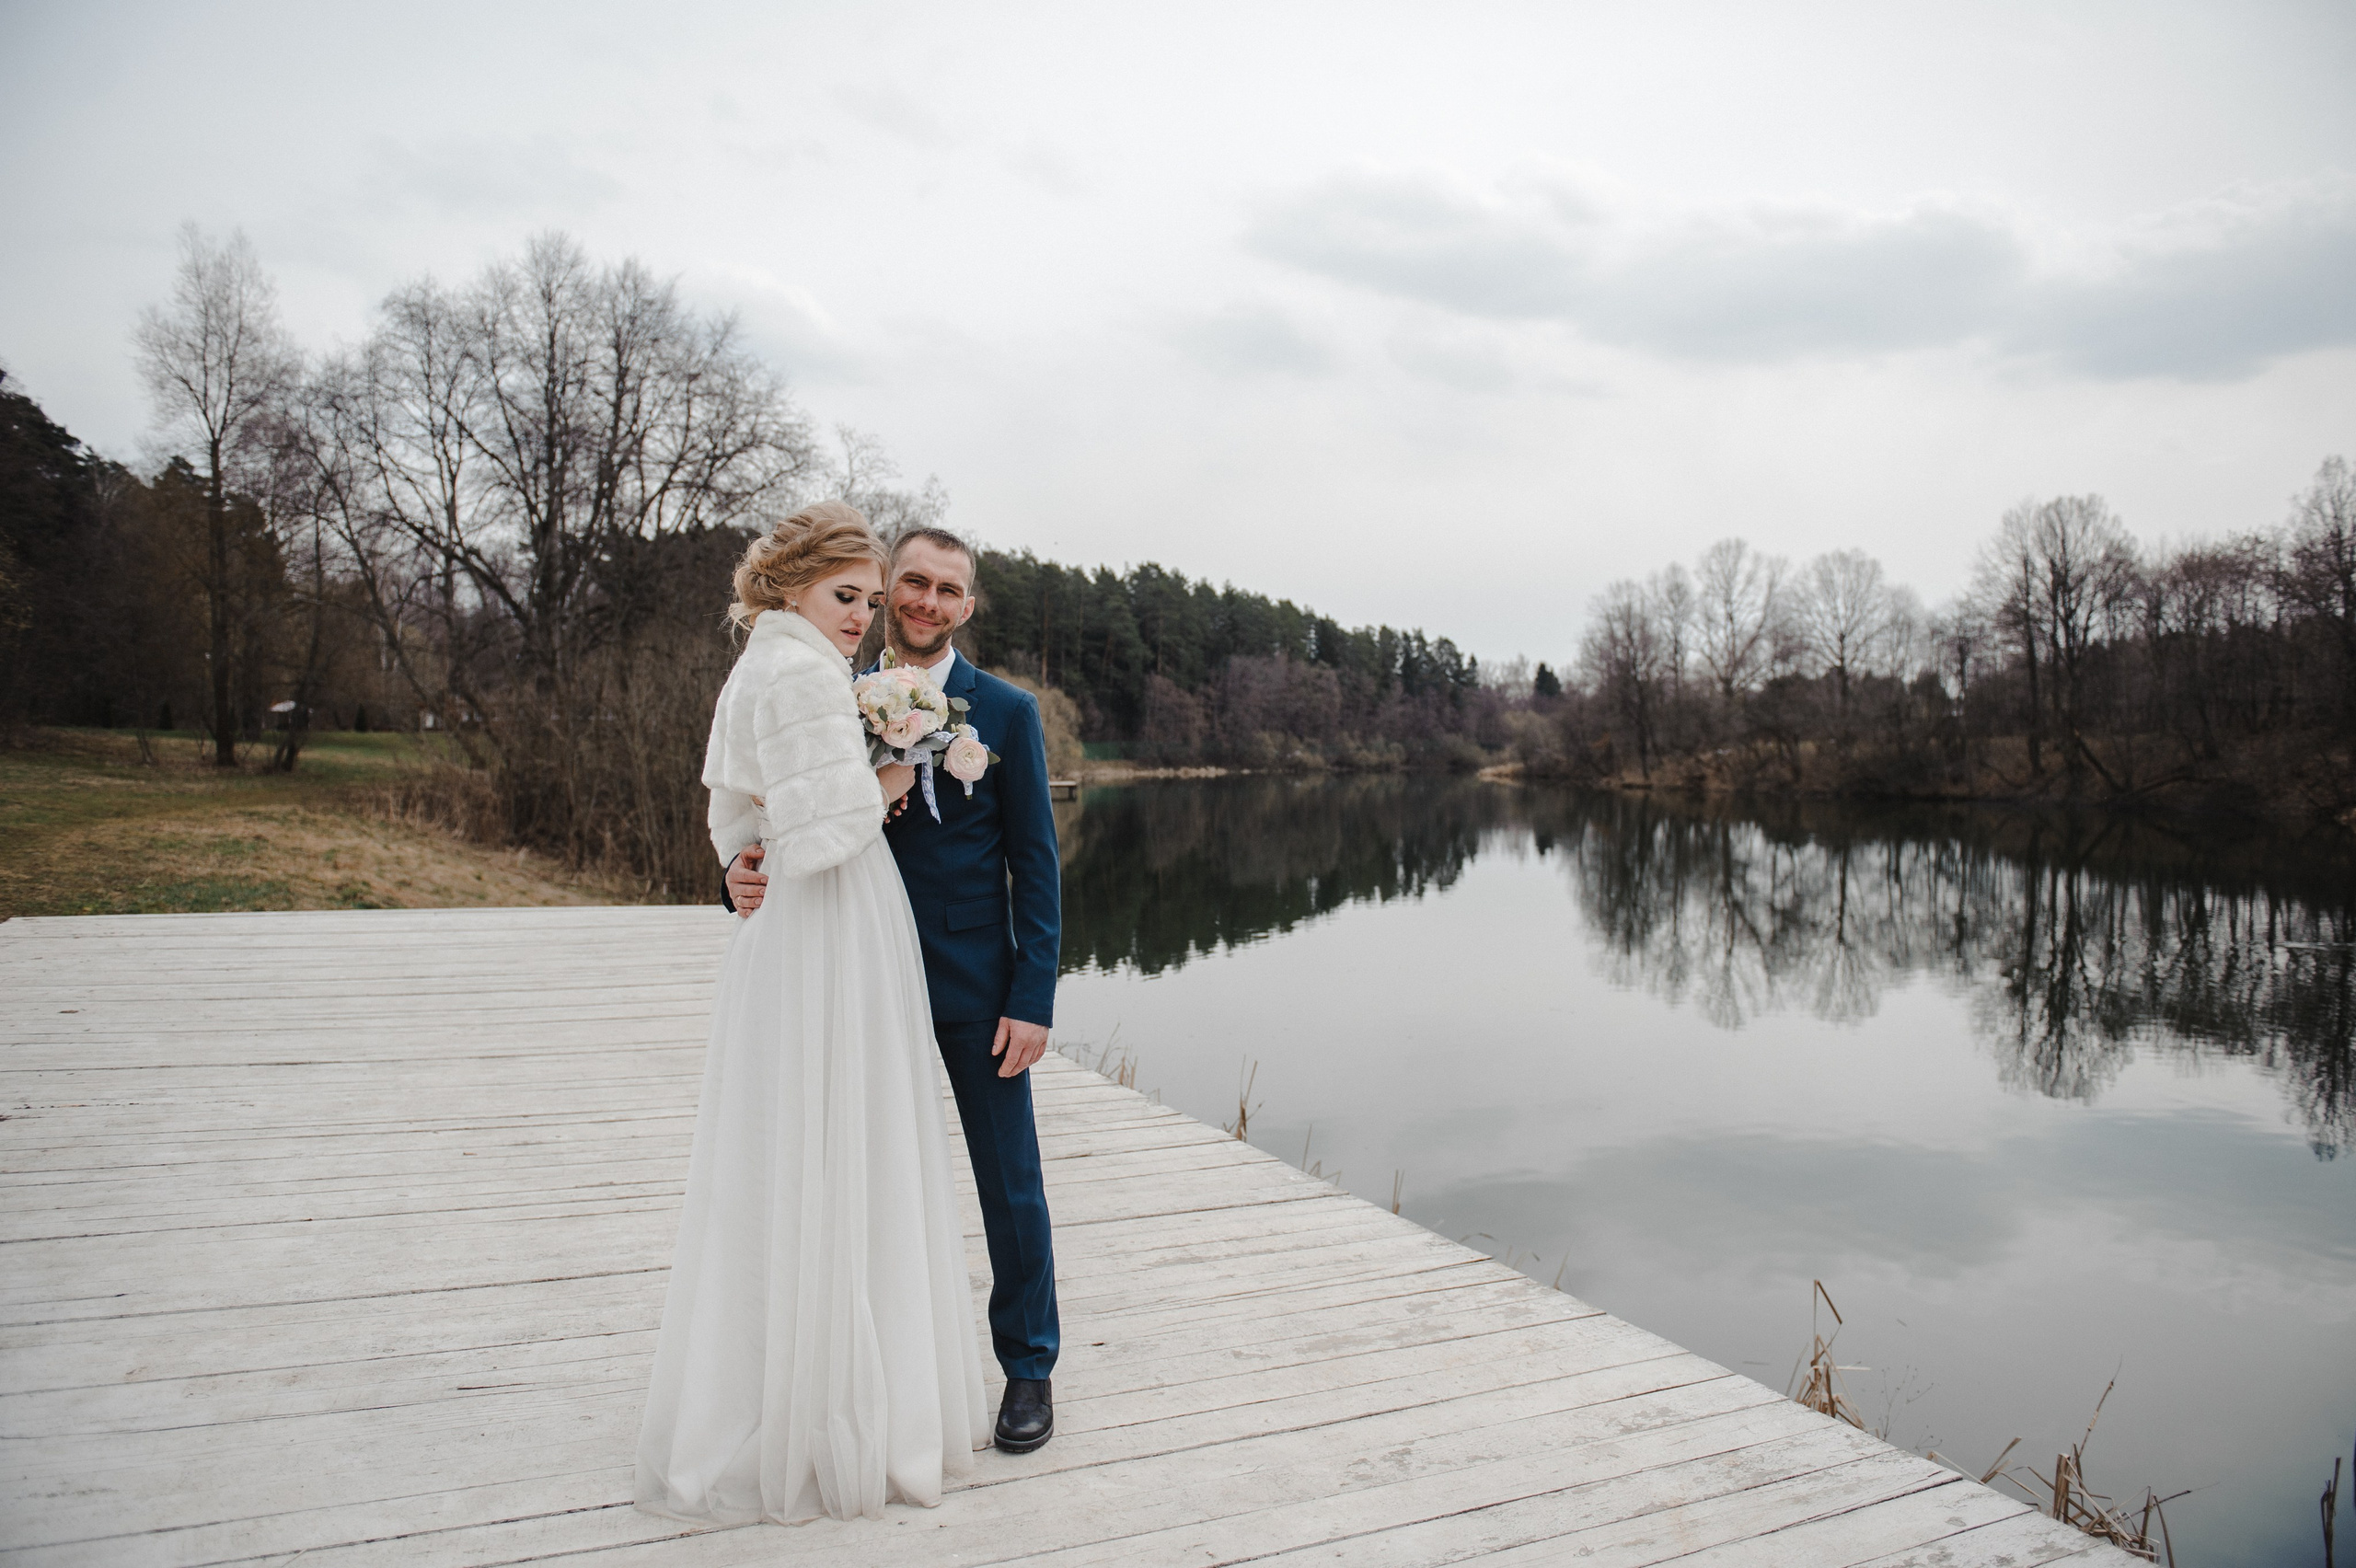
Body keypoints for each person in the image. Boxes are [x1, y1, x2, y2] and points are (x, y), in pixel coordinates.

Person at [635, 502, 989, 1527]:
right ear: (793, 584)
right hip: (831, 921)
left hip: (800, 923)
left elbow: (729, 808)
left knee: (799, 1137)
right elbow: (822, 824)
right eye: (849, 598)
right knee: (843, 1132)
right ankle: (831, 1406)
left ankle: (794, 1382)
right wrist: (890, 771)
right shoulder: (795, 669)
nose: (861, 618)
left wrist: (742, 859)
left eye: (870, 603)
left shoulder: (766, 662)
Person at [725, 525, 1063, 1454]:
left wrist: (1031, 995)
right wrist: (735, 876)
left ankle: (1028, 1368)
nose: (925, 601)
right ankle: (864, 1372)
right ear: (885, 592)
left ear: (966, 606)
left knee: (1010, 1182)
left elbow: (1035, 867)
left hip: (969, 984)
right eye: (910, 582)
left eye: (946, 589)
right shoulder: (822, 685)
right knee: (848, 1175)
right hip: (841, 972)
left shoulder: (1005, 711)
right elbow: (768, 812)